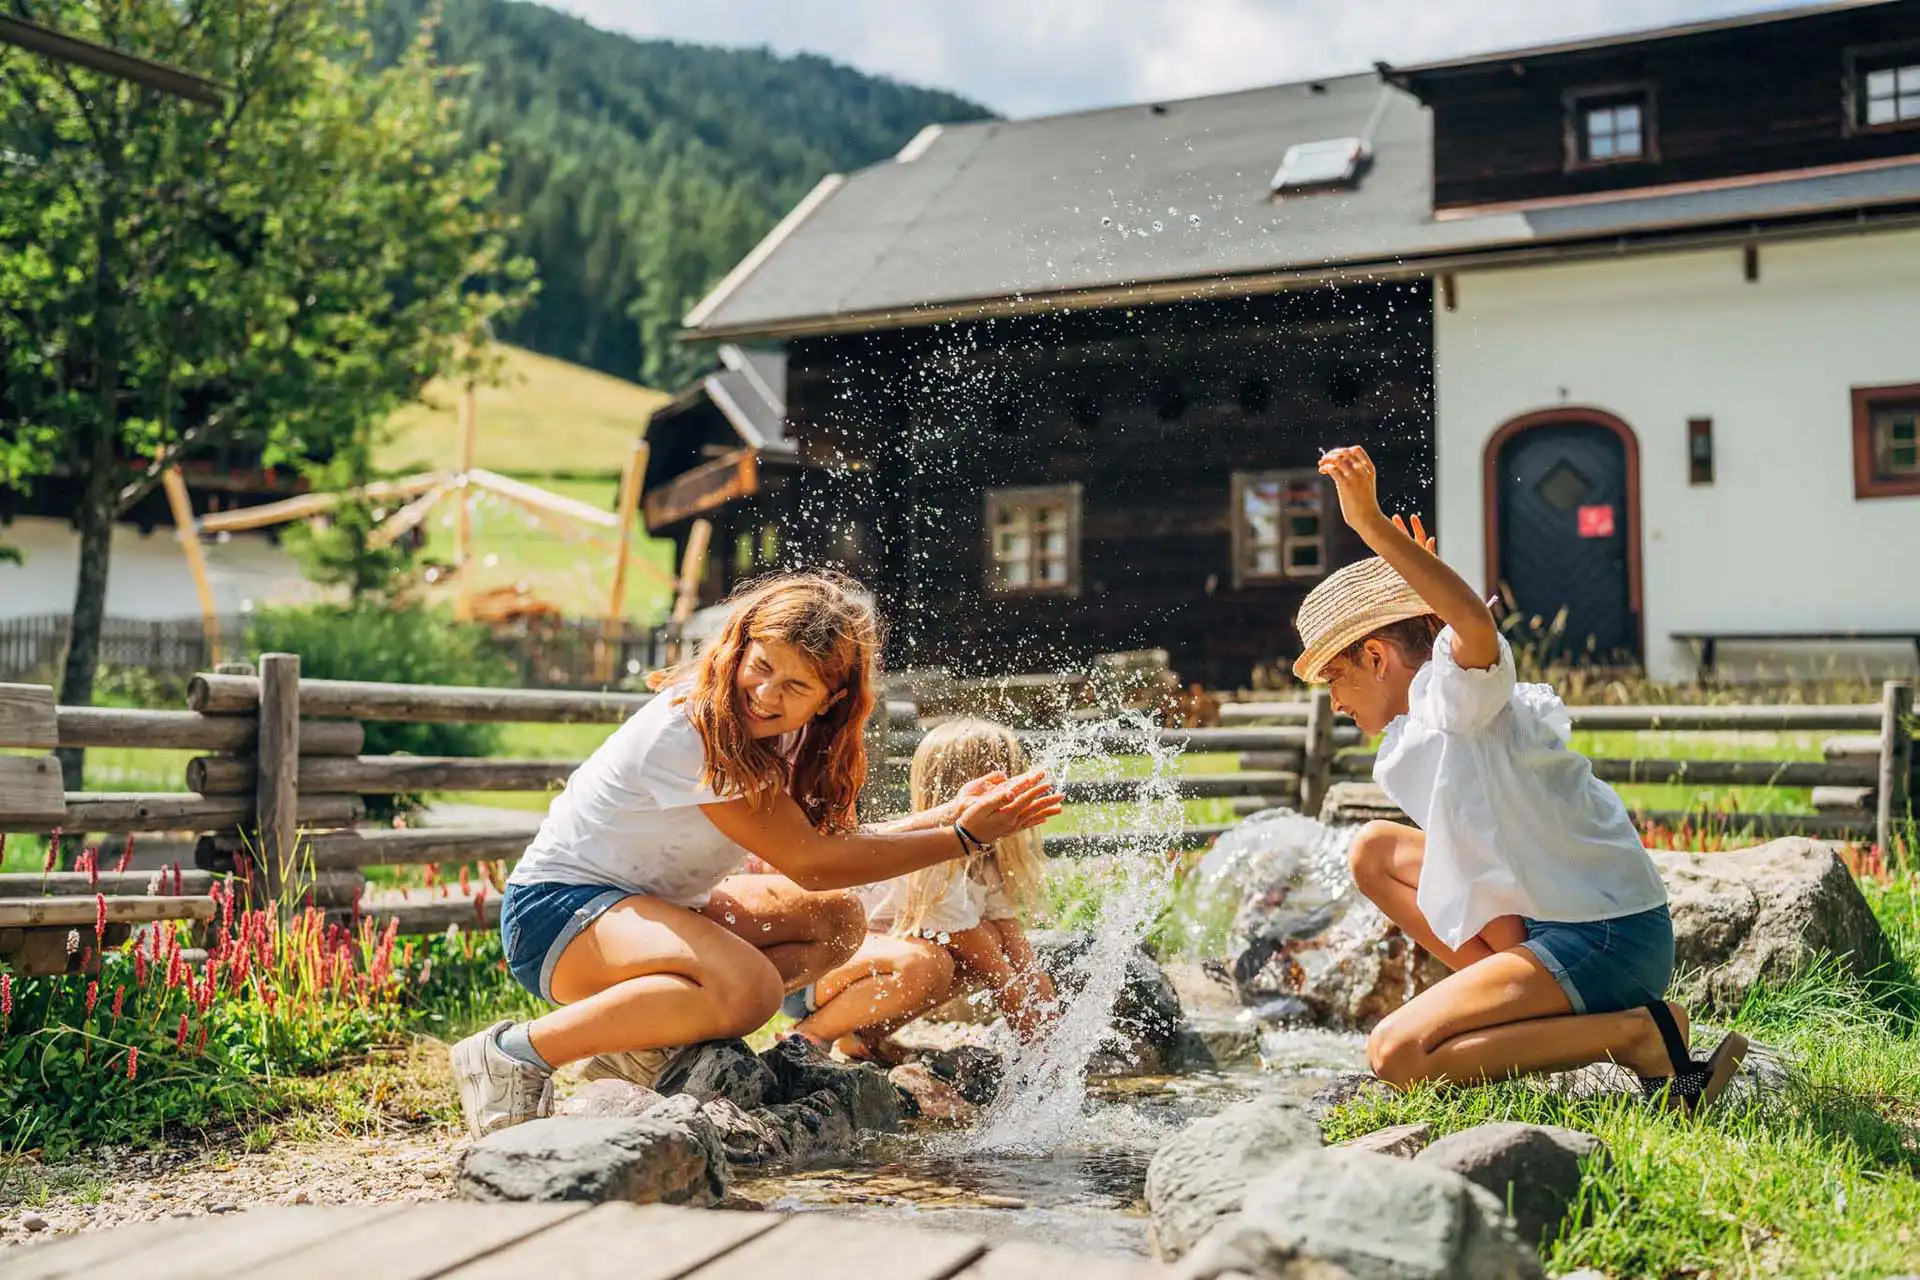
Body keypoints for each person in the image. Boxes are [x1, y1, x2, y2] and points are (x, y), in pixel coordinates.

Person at [450, 572, 1063, 1137]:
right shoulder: (690, 731)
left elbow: (829, 851)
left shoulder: (787, 735)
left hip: (646, 913)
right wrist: (962, 838)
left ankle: (637, 1040)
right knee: (751, 992)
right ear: (738, 648)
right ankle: (515, 1053)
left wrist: (950, 813)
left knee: (836, 920)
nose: (766, 694)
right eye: (760, 666)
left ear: (830, 698)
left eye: (794, 685)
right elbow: (812, 863)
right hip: (557, 917)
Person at [1297, 446, 1746, 1113]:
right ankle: (1540, 1021)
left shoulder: (1459, 698)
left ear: (1375, 654)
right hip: (1554, 927)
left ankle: (1638, 1037)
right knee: (1372, 853)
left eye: (1335, 678)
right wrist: (1420, 584)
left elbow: (1474, 627)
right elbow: (1482, 877)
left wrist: (1373, 528)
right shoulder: (1415, 734)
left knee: (1395, 1055)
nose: (1333, 702)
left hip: (1606, 937)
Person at [789, 719, 1059, 1061]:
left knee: (986, 939)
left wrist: (1053, 1024)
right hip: (810, 975)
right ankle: (808, 1037)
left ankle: (862, 1036)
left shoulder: (986, 861)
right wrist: (1039, 1047)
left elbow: (1017, 951)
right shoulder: (929, 855)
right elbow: (998, 973)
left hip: (858, 971)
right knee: (933, 963)